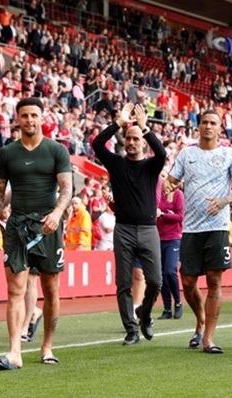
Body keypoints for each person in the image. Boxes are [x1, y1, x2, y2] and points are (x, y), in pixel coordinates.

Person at [0, 97, 72, 370]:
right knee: (15, 290)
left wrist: (57, 215)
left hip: (49, 226)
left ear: (42, 117)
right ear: (17, 119)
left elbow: (67, 189)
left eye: (34, 115)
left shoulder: (57, 150)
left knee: (51, 289)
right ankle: (15, 352)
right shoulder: (7, 152)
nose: (29, 120)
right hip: (18, 227)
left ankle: (47, 346)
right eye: (24, 116)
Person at [163, 109, 232, 354]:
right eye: (205, 123)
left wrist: (224, 201)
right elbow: (170, 180)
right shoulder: (187, 154)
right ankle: (200, 320)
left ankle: (208, 337)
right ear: (198, 127)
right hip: (190, 227)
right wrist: (170, 185)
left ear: (220, 128)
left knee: (214, 281)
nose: (209, 126)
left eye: (213, 123)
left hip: (218, 227)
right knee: (187, 282)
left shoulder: (229, 154)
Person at [92, 103, 165, 346]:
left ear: (142, 142)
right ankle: (131, 330)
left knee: (155, 281)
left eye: (136, 139)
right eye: (129, 138)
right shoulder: (116, 163)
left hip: (147, 229)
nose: (132, 142)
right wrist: (119, 124)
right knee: (123, 283)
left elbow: (162, 154)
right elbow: (97, 144)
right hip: (123, 229)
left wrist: (144, 128)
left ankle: (144, 313)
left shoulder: (151, 166)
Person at [157, 172, 185, 320]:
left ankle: (178, 302)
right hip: (158, 238)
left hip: (173, 238)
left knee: (170, 271)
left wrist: (163, 215)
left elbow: (180, 216)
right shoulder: (156, 195)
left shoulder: (177, 195)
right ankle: (167, 307)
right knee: (161, 275)